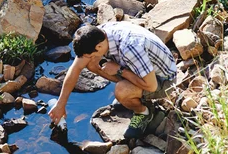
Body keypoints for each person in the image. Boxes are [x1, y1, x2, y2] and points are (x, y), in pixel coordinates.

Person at [49, 22, 177, 139]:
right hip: (142, 70)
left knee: (121, 90)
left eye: (92, 54)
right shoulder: (98, 34)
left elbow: (151, 86)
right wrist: (61, 104)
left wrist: (120, 70)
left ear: (99, 47)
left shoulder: (129, 48)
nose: (91, 57)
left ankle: (143, 112)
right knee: (91, 64)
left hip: (163, 81)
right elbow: (75, 69)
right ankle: (132, 95)